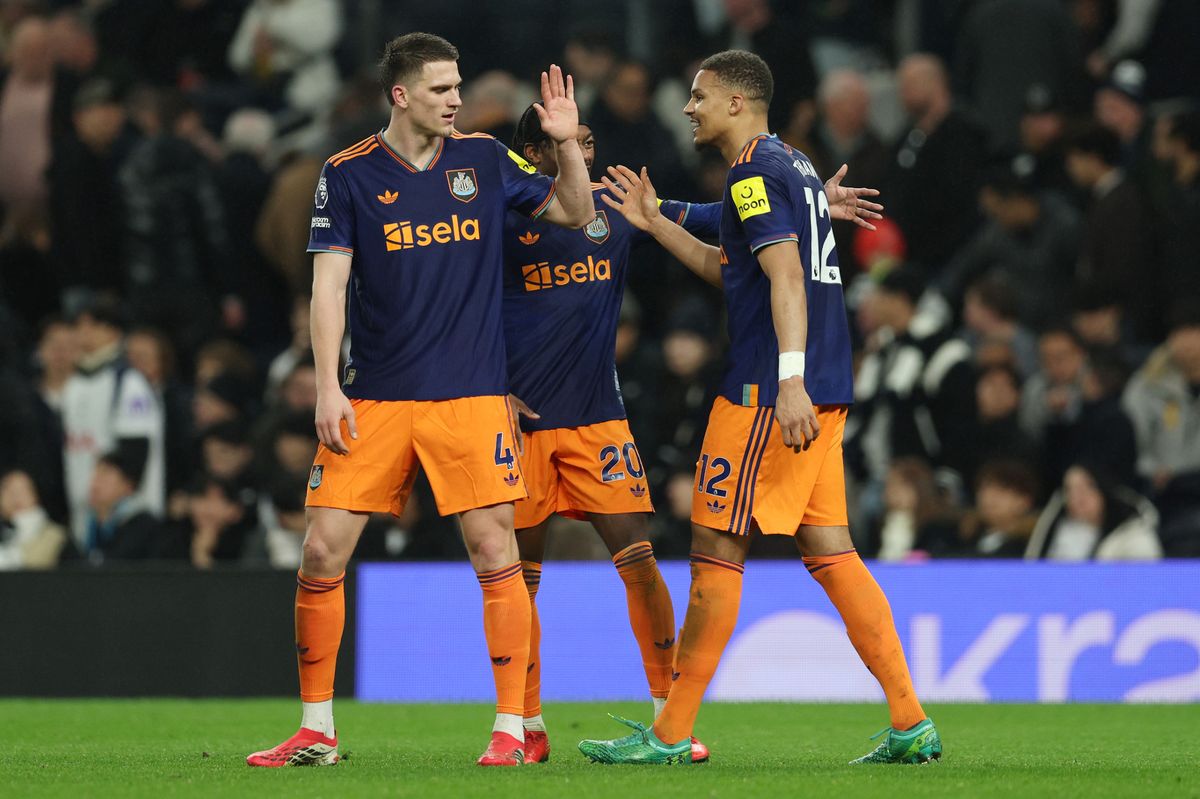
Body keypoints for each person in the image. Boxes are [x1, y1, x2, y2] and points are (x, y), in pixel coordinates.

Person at [578, 50, 939, 765]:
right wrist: (657, 219)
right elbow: (729, 266)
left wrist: (788, 380)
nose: (688, 108)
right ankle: (910, 719)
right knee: (832, 553)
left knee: (715, 552)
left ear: (737, 103)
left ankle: (672, 733)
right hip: (824, 392)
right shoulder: (791, 166)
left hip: (766, 397)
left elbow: (786, 279)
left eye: (699, 95)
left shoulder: (754, 173)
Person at [246, 33, 594, 769]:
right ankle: (316, 729)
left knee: (494, 548)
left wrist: (566, 146)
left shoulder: (486, 159)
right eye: (442, 89)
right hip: (374, 396)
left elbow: (574, 213)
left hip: (470, 395)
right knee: (321, 548)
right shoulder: (346, 174)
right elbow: (328, 288)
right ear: (401, 95)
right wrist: (328, 385)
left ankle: (511, 727)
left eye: (458, 86)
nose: (456, 100)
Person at [501, 104, 720, 764]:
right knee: (518, 581)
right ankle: (527, 724)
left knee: (641, 562)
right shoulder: (503, 216)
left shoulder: (613, 205)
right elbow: (462, 306)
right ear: (534, 154)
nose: (586, 153)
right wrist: (488, 384)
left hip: (598, 420)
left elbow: (713, 218)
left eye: (589, 140)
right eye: (569, 142)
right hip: (522, 423)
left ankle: (669, 719)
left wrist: (809, 207)